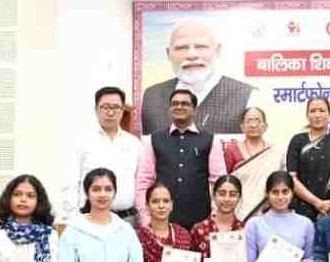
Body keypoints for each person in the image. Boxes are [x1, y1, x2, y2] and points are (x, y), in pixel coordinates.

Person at [141, 19, 258, 136]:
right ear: (168, 54)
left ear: (217, 50)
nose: (192, 55)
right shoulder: (151, 96)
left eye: (201, 46)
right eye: (181, 48)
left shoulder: (247, 95)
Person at [61, 86, 142, 224]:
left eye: (116, 107)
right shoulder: (82, 142)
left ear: (123, 110)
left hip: (127, 219)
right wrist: (73, 217)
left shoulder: (134, 144)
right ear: (96, 109)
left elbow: (140, 183)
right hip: (89, 218)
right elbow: (70, 182)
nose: (110, 112)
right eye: (105, 107)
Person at [136, 89, 213, 230]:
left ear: (194, 110)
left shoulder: (209, 139)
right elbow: (144, 181)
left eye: (184, 103)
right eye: (175, 103)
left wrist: (212, 218)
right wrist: (146, 218)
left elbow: (216, 181)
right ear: (169, 109)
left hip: (200, 222)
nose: (179, 107)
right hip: (161, 223)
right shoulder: (154, 139)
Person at [214, 106, 283, 220]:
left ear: (265, 126)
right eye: (249, 121)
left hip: (266, 209)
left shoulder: (274, 152)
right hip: (238, 211)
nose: (253, 125)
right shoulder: (232, 150)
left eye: (258, 120)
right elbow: (226, 180)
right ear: (242, 126)